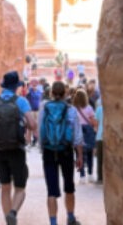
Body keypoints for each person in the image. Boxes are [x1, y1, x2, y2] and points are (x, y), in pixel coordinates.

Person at [0, 71, 38, 225]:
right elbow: (33, 125)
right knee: (20, 188)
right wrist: (26, 127)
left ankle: (9, 221)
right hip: (17, 150)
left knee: (5, 187)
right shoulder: (21, 102)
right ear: (16, 87)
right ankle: (13, 212)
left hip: (0, 150)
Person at [39, 81, 84, 225]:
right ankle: (70, 217)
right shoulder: (71, 110)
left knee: (51, 190)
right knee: (69, 186)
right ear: (65, 94)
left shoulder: (44, 108)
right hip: (66, 151)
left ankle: (53, 222)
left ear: (51, 93)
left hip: (49, 151)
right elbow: (77, 135)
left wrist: (42, 149)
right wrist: (80, 156)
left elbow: (41, 131)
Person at [72, 89, 97, 184]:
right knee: (90, 153)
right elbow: (93, 121)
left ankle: (82, 176)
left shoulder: (73, 109)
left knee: (79, 154)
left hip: (77, 131)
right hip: (88, 131)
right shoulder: (89, 108)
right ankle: (90, 174)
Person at [26, 79, 43, 146]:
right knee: (30, 127)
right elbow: (26, 97)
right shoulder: (29, 92)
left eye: (35, 84)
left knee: (38, 127)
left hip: (38, 111)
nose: (34, 85)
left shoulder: (39, 92)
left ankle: (38, 142)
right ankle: (28, 142)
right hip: (31, 111)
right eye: (33, 84)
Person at [95, 97, 104, 185]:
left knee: (100, 159)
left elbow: (96, 124)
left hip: (100, 136)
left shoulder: (99, 109)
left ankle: (100, 178)